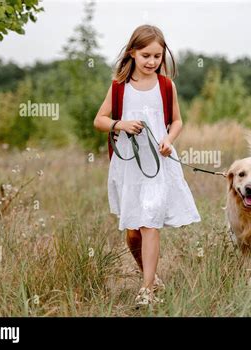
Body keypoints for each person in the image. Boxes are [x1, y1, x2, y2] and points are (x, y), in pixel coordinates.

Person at [93, 25, 201, 307]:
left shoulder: (166, 86)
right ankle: (151, 278)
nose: (152, 61)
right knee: (133, 232)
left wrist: (169, 138)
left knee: (150, 222)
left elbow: (177, 121)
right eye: (146, 55)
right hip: (129, 165)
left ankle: (147, 290)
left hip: (158, 163)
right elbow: (99, 120)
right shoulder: (119, 86)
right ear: (132, 53)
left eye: (157, 55)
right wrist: (121, 124)